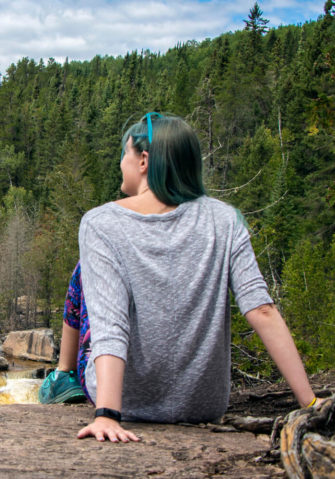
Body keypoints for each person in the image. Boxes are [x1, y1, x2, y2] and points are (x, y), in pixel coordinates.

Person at [39, 113, 320, 443]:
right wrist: (312, 405)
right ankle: (65, 375)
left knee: (82, 272)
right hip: (203, 404)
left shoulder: (101, 223)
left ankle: (63, 375)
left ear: (143, 160)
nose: (120, 164)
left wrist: (107, 414)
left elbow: (111, 324)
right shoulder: (225, 220)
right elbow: (262, 310)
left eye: (124, 154)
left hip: (129, 403)